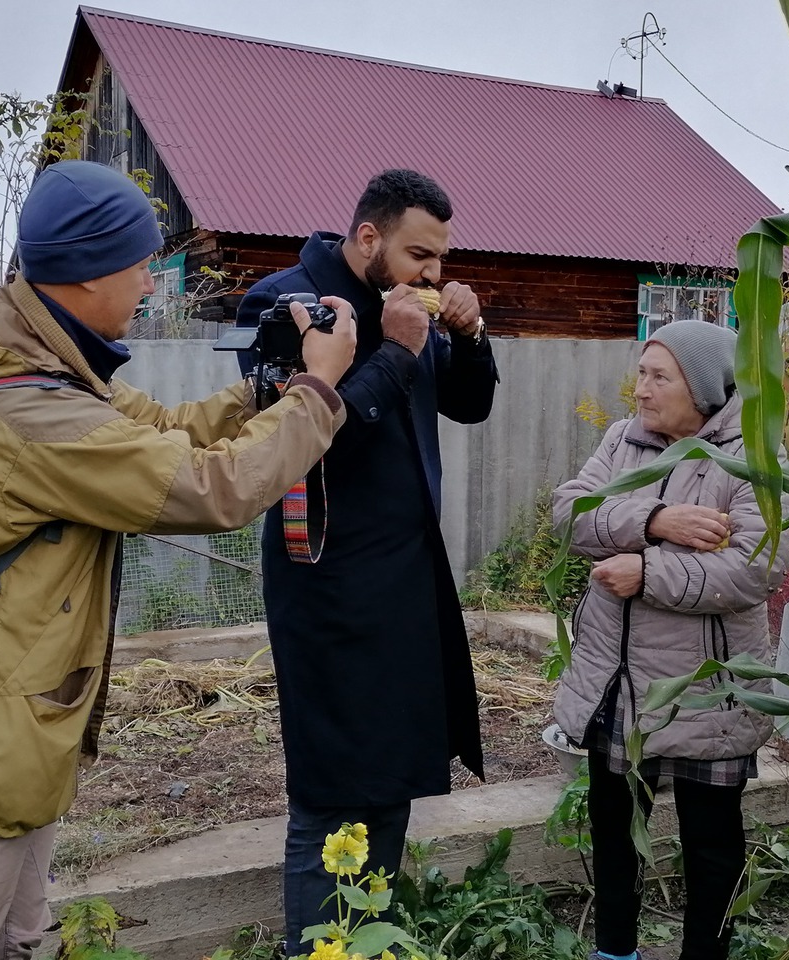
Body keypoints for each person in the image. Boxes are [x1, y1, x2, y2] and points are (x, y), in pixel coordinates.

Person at [0, 159, 357, 959]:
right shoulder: (32, 410)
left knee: (22, 942)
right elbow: (211, 488)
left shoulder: (39, 355)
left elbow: (164, 427)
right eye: (140, 267)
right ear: (91, 274)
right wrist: (319, 393)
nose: (148, 286)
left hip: (15, 733)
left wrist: (264, 388)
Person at [235, 168, 499, 951]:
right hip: (329, 588)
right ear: (369, 237)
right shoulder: (284, 304)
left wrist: (469, 334)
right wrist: (392, 349)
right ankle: (317, 947)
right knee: (331, 792)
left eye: (442, 258)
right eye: (420, 254)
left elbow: (471, 404)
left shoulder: (410, 312)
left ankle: (368, 937)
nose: (433, 273)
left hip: (407, 585)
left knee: (389, 783)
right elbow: (297, 439)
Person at [552, 321, 789, 960]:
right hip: (618, 684)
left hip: (707, 691)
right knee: (614, 835)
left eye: (660, 376)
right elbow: (570, 513)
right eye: (642, 372)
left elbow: (755, 566)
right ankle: (616, 952)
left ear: (706, 387)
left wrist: (648, 571)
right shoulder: (624, 441)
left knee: (711, 845)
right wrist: (657, 518)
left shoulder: (754, 458)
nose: (640, 390)